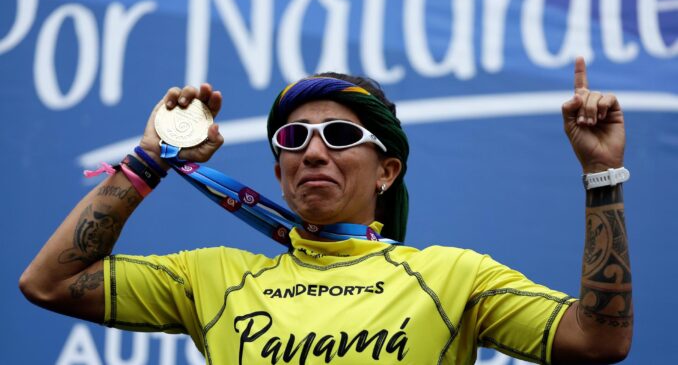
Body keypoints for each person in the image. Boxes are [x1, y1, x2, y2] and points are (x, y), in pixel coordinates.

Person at [20, 57, 632, 364]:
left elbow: (598, 342)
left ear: (387, 171)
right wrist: (152, 158)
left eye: (340, 138)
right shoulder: (211, 279)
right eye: (292, 140)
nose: (313, 150)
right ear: (280, 171)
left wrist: (602, 176)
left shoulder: (455, 277)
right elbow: (48, 284)